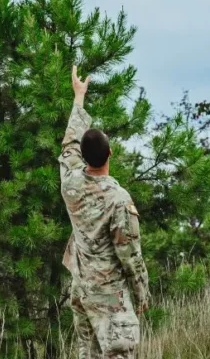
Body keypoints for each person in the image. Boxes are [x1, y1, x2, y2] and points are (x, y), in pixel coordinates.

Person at [59, 65, 150, 359]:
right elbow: (129, 254)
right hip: (110, 296)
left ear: (84, 157)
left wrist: (78, 98)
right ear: (110, 153)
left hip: (82, 290)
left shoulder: (70, 184)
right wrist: (141, 292)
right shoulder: (118, 199)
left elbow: (68, 146)